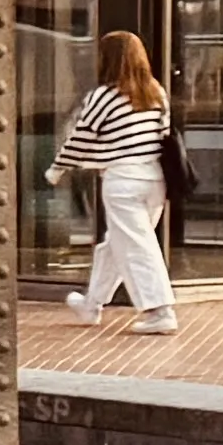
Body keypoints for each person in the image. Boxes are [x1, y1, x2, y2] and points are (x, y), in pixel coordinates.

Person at [57, 25, 179, 335]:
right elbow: (163, 135)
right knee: (117, 244)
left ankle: (159, 311)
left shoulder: (103, 96)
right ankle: (91, 304)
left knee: (137, 245)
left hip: (122, 181)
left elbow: (82, 136)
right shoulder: (156, 92)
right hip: (154, 180)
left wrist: (59, 167)